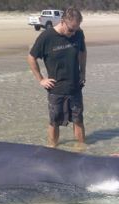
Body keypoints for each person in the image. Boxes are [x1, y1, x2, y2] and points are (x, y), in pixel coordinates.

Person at [27, 7, 87, 148]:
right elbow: (31, 58)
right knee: (54, 121)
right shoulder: (47, 37)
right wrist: (41, 79)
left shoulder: (78, 33)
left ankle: (81, 150)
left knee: (78, 120)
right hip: (56, 89)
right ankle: (52, 149)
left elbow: (83, 52)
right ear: (62, 22)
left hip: (75, 86)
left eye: (76, 29)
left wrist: (83, 71)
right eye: (71, 29)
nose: (73, 33)